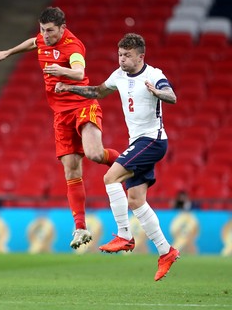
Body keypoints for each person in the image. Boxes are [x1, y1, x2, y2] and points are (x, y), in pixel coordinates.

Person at [0, 6, 119, 249]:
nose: (45, 35)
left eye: (50, 31)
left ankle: (128, 162)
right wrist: (8, 52)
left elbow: (80, 73)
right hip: (60, 114)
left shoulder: (73, 46)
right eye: (43, 30)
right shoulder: (43, 38)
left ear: (62, 28)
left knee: (93, 154)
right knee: (71, 170)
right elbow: (33, 43)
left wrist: (62, 71)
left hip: (82, 104)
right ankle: (80, 227)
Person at [55, 32, 180, 281]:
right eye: (120, 55)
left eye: (127, 56)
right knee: (135, 200)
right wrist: (69, 87)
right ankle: (166, 252)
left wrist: (157, 91)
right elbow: (99, 92)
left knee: (111, 177)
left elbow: (172, 96)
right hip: (138, 142)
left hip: (153, 140)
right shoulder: (119, 75)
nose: (122, 60)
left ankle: (124, 235)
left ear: (140, 56)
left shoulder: (153, 74)